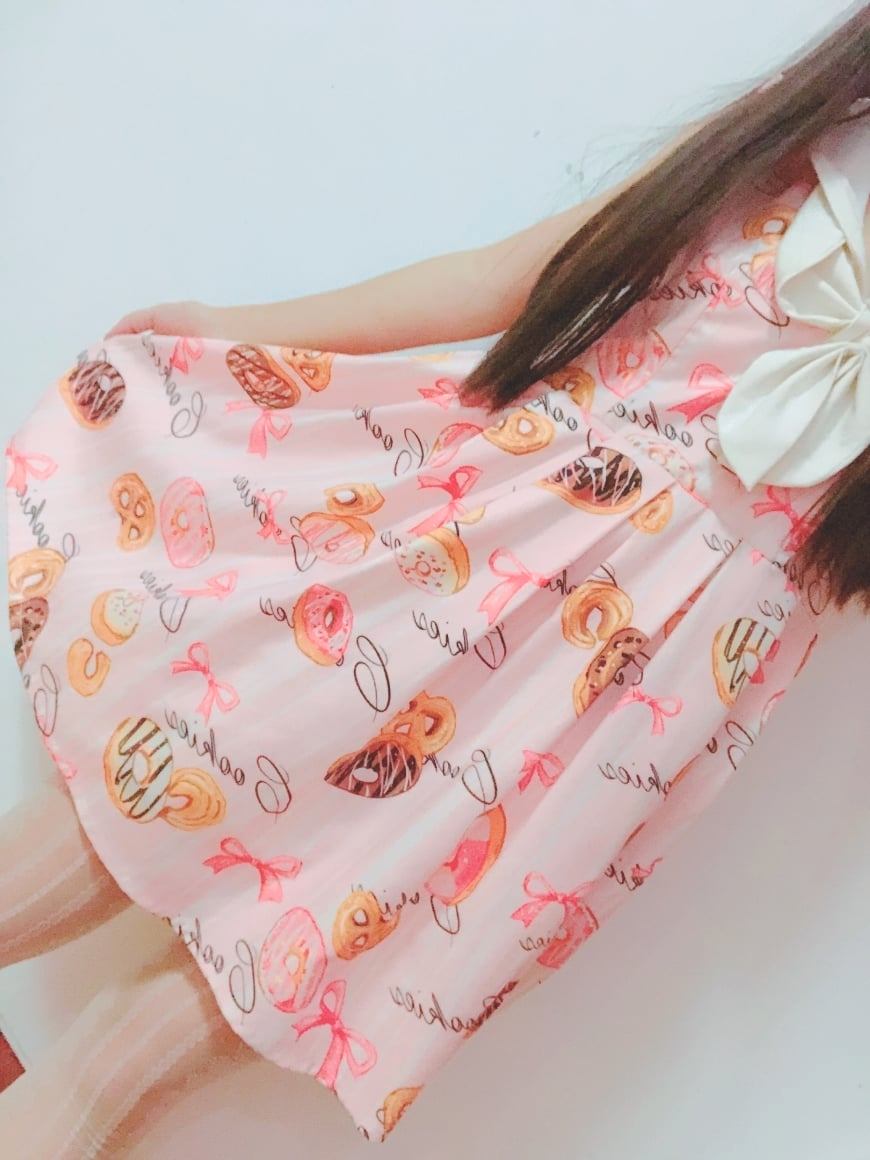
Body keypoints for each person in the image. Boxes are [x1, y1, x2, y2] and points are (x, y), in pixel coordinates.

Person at [2, 4, 868, 1151]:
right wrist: (244, 329)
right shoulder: (821, 134)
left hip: (600, 717)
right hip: (457, 549)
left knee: (158, 1042)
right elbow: (519, 274)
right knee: (131, 812)